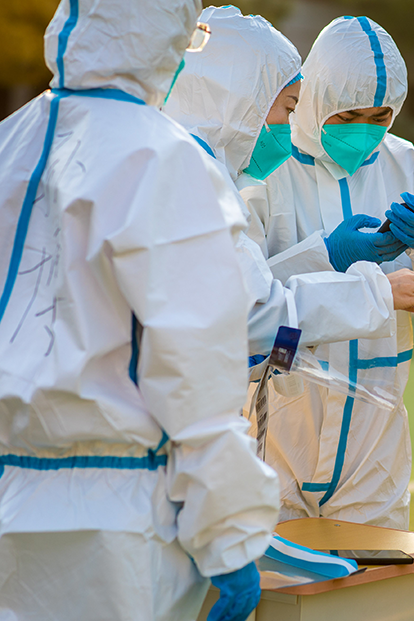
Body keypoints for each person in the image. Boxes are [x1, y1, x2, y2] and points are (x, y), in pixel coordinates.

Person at [0, 1, 280, 620]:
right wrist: (230, 532)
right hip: (118, 520)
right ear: (163, 32)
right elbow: (194, 366)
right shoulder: (162, 155)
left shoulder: (10, 141)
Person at [243, 16, 414, 529]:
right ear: (314, 97)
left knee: (376, 576)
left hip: (374, 436)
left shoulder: (408, 166)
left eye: (380, 116)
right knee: (273, 574)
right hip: (277, 420)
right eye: (349, 114)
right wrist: (325, 255)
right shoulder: (265, 165)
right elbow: (244, 300)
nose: (366, 129)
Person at [164, 6, 414, 358]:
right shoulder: (199, 183)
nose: (287, 125)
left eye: (379, 117)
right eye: (289, 108)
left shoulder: (183, 168)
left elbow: (247, 311)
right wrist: (368, 288)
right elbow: (251, 318)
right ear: (245, 99)